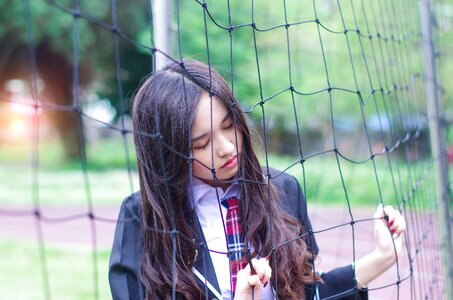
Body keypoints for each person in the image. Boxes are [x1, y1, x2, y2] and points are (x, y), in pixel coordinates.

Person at [108, 60, 406, 300]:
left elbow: (305, 292)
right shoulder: (142, 218)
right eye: (202, 143)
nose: (227, 147)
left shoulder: (282, 189)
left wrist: (381, 258)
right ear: (168, 153)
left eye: (229, 125)